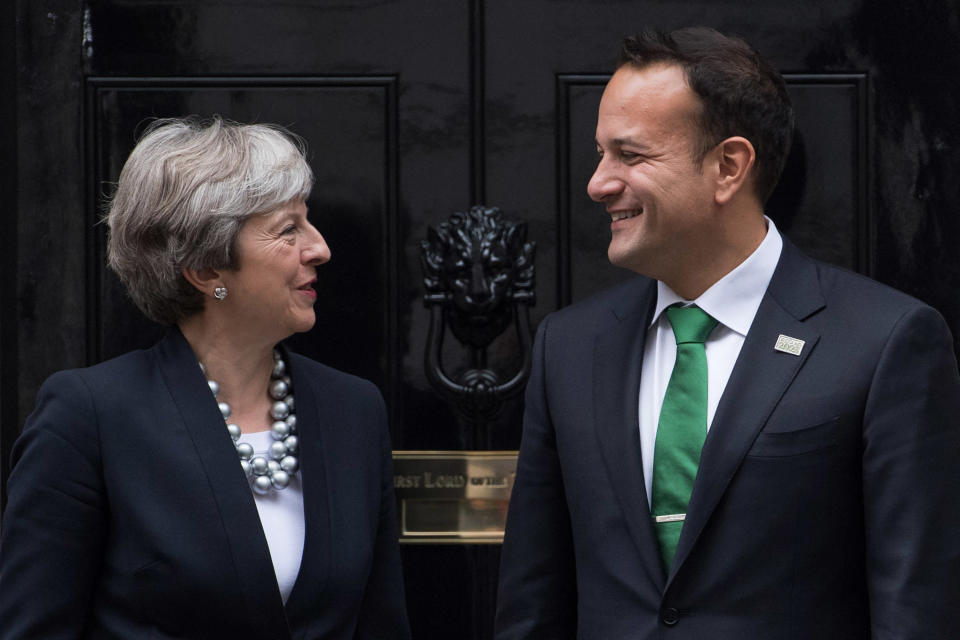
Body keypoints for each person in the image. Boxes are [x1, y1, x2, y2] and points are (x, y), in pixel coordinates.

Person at [495, 27, 960, 639]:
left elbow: (914, 609)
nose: (598, 183)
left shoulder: (886, 342)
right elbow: (535, 603)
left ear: (729, 166)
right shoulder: (570, 348)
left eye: (630, 156)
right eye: (600, 153)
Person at [0, 117, 411, 639]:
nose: (320, 247)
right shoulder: (90, 416)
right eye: (289, 229)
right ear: (205, 269)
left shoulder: (353, 408)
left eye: (309, 222)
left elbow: (381, 623)